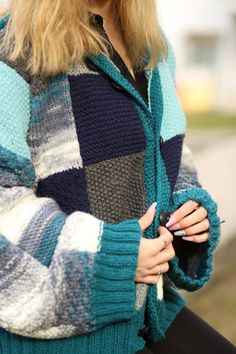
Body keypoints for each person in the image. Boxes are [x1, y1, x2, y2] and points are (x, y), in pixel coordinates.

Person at [0, 0, 235, 353]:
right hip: (61, 324)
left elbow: (172, 155)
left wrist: (187, 210)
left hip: (148, 307)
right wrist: (111, 256)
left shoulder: (152, 48)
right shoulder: (13, 49)